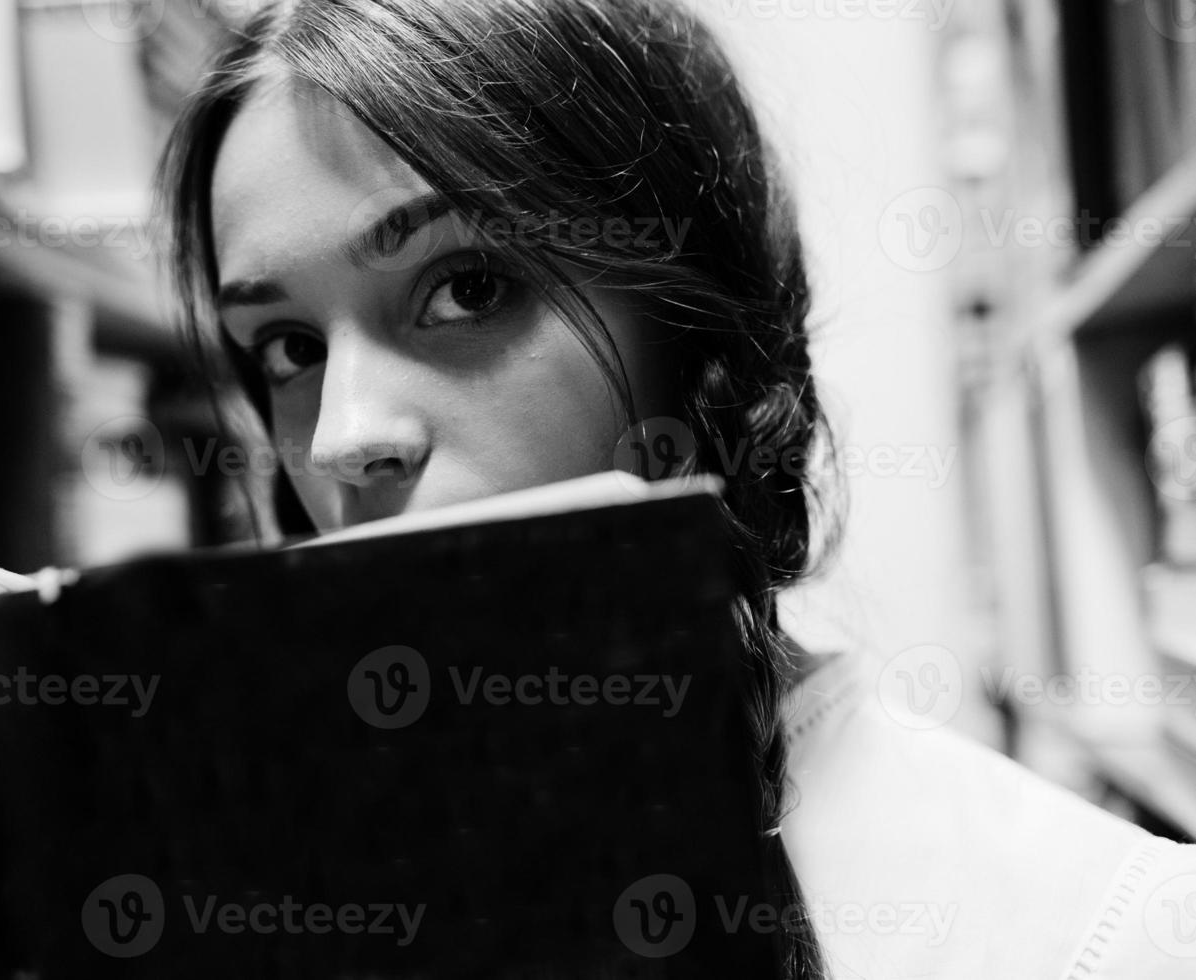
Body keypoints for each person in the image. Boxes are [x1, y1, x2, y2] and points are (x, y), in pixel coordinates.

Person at [155, 0, 1196, 976]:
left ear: (696, 339)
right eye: (287, 348)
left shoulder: (1101, 933)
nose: (342, 438)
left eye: (466, 286)